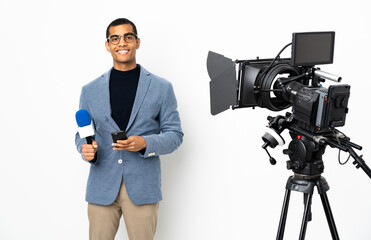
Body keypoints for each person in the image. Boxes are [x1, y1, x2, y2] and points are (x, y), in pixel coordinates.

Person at [75, 18, 183, 240]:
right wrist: (84, 149)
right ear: (108, 45)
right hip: (102, 186)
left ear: (137, 42)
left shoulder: (161, 87)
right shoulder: (90, 90)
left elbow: (175, 135)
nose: (121, 43)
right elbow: (82, 133)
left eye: (128, 37)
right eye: (115, 38)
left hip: (143, 187)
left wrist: (145, 143)